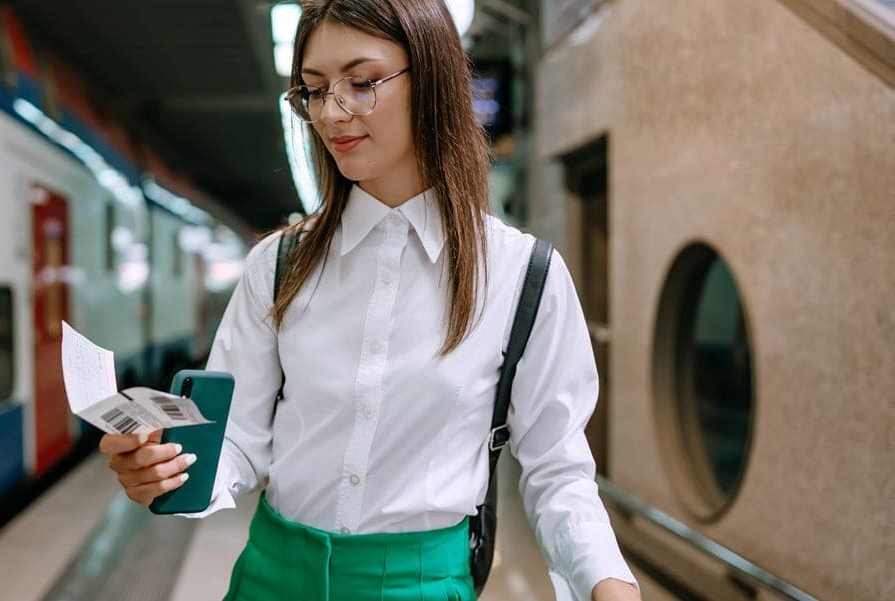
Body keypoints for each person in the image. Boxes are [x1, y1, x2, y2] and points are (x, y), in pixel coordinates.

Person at [100, 1, 640, 599]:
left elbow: (557, 469)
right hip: (271, 580)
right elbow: (239, 442)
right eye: (314, 90)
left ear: (430, 79)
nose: (332, 113)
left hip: (422, 585)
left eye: (361, 83)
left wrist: (607, 580)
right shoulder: (279, 265)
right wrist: (171, 471)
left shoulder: (521, 275)